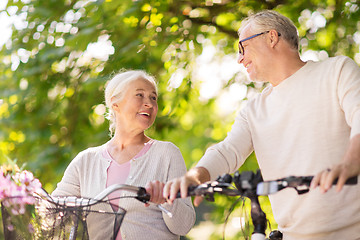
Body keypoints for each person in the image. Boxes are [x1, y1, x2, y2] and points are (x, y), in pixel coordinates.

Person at [164, 10, 360, 240]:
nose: (239, 58)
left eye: (242, 48)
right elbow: (227, 151)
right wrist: (195, 177)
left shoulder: (336, 71)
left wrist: (350, 163)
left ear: (272, 37)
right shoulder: (253, 110)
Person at [52, 70, 195, 240]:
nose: (149, 103)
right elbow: (52, 213)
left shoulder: (166, 154)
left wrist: (167, 199)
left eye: (153, 98)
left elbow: (184, 225)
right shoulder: (85, 161)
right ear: (115, 103)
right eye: (139, 95)